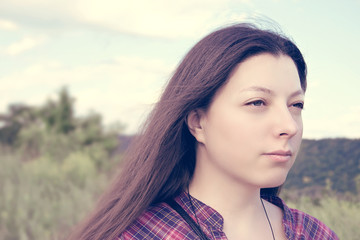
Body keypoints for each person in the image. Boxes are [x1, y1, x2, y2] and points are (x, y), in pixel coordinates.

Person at [69, 23, 339, 240]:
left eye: (296, 105)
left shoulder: (315, 233)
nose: (289, 126)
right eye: (257, 102)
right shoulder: (143, 235)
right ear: (198, 123)